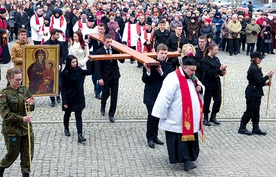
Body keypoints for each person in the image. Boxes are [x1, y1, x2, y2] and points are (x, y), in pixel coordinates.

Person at [151, 55, 205, 171]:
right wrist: (160, 114)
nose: (194, 73)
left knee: (190, 139)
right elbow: (165, 97)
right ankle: (186, 160)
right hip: (177, 117)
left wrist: (200, 88)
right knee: (180, 140)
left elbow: (201, 87)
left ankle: (190, 157)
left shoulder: (193, 77)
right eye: (192, 70)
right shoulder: (172, 78)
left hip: (191, 117)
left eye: (195, 70)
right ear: (184, 67)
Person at [0, 67, 35, 177]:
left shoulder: (24, 90)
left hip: (26, 128)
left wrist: (31, 103)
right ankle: (1, 169)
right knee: (12, 154)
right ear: (9, 79)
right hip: (12, 130)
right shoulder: (4, 94)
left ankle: (26, 174)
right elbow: (5, 114)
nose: (20, 82)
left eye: (21, 79)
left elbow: (31, 107)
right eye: (17, 80)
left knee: (28, 154)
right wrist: (21, 118)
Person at [142, 44, 173, 149]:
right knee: (151, 116)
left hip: (162, 95)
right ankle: (149, 137)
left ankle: (155, 136)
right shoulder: (150, 63)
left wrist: (162, 73)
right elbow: (145, 80)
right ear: (157, 53)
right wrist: (148, 71)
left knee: (158, 117)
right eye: (161, 53)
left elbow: (169, 81)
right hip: (150, 95)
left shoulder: (168, 66)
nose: (164, 55)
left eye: (165, 53)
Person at [238, 52, 275, 135]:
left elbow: (257, 81)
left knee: (256, 111)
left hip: (256, 91)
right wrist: (267, 76)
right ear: (254, 58)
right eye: (259, 58)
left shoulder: (255, 67)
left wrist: (265, 84)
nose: (261, 59)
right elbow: (258, 81)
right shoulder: (254, 68)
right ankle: (242, 127)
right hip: (252, 92)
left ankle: (256, 127)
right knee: (250, 110)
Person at [61, 55, 92, 143]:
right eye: (73, 62)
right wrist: (65, 101)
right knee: (67, 114)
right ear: (69, 63)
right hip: (69, 97)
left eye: (76, 62)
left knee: (78, 115)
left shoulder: (78, 70)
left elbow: (90, 72)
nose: (75, 64)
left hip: (78, 96)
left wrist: (91, 61)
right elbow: (63, 88)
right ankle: (66, 128)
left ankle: (80, 134)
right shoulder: (64, 73)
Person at [95, 34, 125, 123]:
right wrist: (99, 78)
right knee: (106, 93)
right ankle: (103, 105)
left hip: (115, 75)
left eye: (110, 42)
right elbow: (98, 66)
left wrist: (122, 51)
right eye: (107, 42)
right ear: (104, 42)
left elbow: (122, 61)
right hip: (105, 76)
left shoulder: (115, 50)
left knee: (114, 96)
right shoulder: (99, 51)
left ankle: (111, 114)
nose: (109, 44)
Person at [202, 44, 227, 126]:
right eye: (215, 50)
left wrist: (222, 71)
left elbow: (218, 70)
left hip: (216, 82)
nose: (217, 51)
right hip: (208, 83)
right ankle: (205, 118)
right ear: (210, 50)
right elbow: (208, 73)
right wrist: (219, 69)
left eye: (217, 50)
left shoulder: (216, 59)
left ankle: (213, 116)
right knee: (207, 101)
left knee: (218, 100)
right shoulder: (205, 60)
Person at [44, 28, 66, 107]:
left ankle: (58, 95)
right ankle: (52, 99)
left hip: (58, 65)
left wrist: (60, 64)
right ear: (52, 35)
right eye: (57, 34)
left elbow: (62, 55)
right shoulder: (46, 44)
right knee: (50, 82)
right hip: (49, 66)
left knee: (59, 82)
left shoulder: (60, 43)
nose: (58, 35)